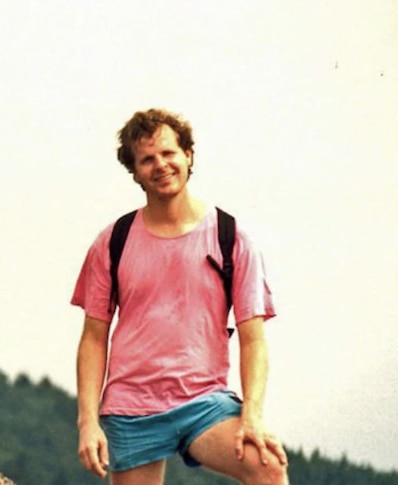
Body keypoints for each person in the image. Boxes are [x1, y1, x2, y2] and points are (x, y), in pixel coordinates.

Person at [71, 108, 289, 484]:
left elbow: (254, 339)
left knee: (266, 465)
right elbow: (93, 337)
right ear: (136, 172)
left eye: (169, 153)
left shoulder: (230, 237)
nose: (161, 165)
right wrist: (88, 422)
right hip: (131, 408)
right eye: (147, 159)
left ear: (188, 155)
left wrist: (252, 414)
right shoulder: (113, 242)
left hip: (203, 402)